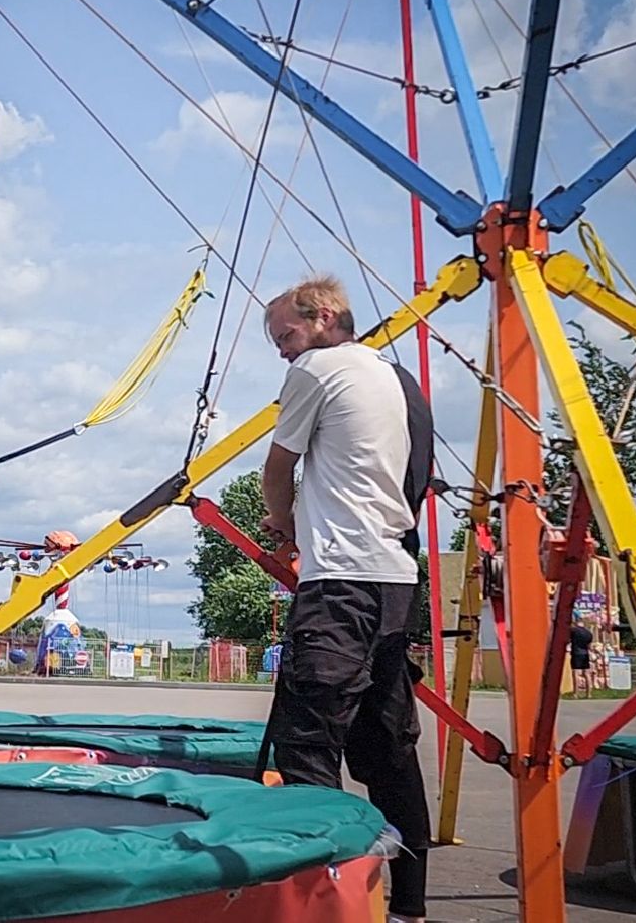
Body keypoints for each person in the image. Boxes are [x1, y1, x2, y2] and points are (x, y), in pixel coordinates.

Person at [259, 275, 432, 923]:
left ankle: (322, 901)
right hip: (394, 577)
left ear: (325, 316)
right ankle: (407, 906)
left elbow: (278, 468)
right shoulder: (397, 380)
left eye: (287, 336)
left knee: (306, 742)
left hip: (339, 582)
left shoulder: (318, 368)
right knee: (386, 748)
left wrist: (281, 521)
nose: (283, 351)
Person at [570, 614, 594, 697]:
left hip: (576, 653)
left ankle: (576, 693)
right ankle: (589, 694)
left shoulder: (573, 631)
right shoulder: (588, 633)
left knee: (576, 673)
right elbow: (590, 646)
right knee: (587, 673)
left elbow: (568, 639)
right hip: (585, 653)